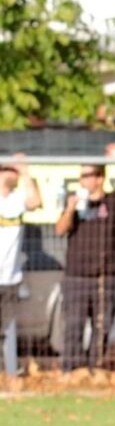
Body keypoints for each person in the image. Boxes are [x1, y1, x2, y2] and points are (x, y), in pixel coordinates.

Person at [56, 143, 115, 372]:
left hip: (106, 277)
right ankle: (71, 371)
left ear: (99, 178)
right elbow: (60, 230)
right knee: (73, 327)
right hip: (76, 277)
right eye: (81, 176)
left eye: (87, 176)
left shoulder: (113, 201)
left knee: (102, 328)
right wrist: (70, 209)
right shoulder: (73, 201)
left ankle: (95, 370)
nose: (83, 181)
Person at [0, 154, 42, 376]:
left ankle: (7, 374)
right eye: (12, 170)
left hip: (10, 278)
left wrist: (26, 171)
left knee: (5, 329)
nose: (15, 174)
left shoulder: (16, 201)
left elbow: (35, 202)